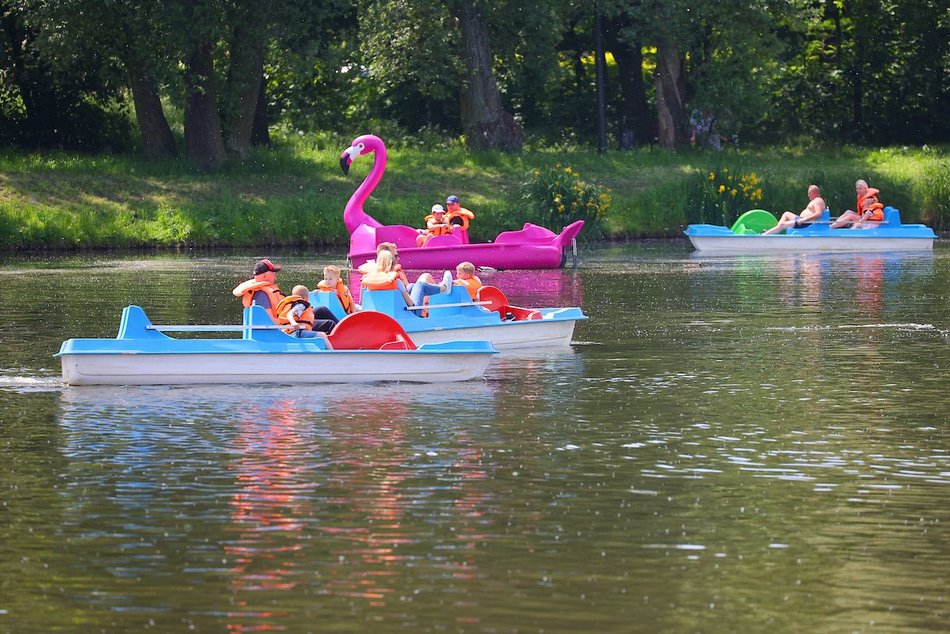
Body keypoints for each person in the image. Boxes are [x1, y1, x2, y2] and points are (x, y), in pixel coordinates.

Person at [231, 258, 338, 326]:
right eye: (272, 273)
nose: (275, 275)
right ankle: (340, 342)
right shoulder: (261, 295)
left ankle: (346, 329)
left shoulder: (269, 289)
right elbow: (269, 319)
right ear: (264, 276)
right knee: (329, 324)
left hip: (292, 317)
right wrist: (288, 326)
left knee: (322, 310)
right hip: (287, 325)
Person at [360, 242, 452, 306]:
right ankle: (444, 288)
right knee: (420, 286)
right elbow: (411, 304)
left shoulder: (367, 280)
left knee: (412, 286)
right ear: (390, 260)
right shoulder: (395, 281)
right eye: (395, 256)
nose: (398, 259)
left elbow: (362, 302)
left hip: (381, 314)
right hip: (406, 315)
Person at [762, 185, 826, 235]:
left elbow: (818, 213)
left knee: (783, 225)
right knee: (786, 214)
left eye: (809, 193)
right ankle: (776, 229)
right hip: (801, 219)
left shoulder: (817, 200)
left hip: (805, 223)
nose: (808, 195)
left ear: (813, 192)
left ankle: (764, 236)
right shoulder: (816, 200)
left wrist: (804, 219)